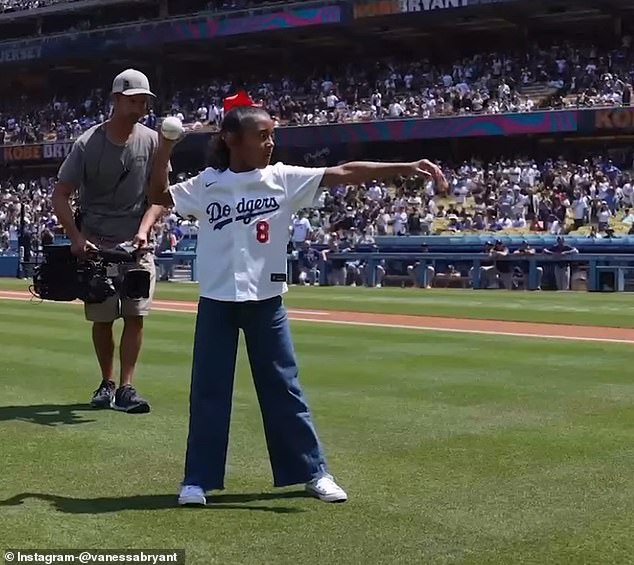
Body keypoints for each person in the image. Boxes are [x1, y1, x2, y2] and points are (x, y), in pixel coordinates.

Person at [148, 103, 447, 506]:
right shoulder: (207, 184)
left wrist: (403, 166)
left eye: (272, 135)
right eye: (262, 135)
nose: (270, 143)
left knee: (284, 388)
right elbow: (157, 194)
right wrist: (165, 148)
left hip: (266, 301)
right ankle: (197, 480)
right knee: (208, 391)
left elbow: (344, 172)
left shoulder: (283, 179)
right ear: (232, 140)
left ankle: (313, 472)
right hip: (217, 300)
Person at [52, 69, 166, 414]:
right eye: (133, 100)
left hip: (136, 243)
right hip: (96, 242)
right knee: (103, 319)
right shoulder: (87, 143)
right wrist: (75, 237)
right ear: (115, 100)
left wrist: (145, 229)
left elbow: (160, 196)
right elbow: (61, 195)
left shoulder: (153, 141)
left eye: (144, 101)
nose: (140, 107)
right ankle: (107, 381)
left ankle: (128, 386)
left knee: (136, 315)